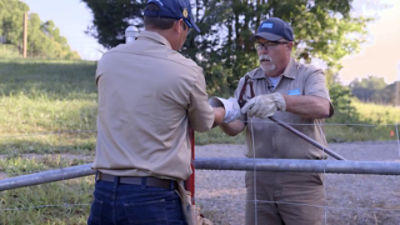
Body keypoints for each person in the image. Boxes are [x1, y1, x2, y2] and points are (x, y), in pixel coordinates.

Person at [87, 0, 233, 224]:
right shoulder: (186, 70)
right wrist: (225, 110)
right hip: (153, 199)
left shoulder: (109, 60)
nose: (184, 38)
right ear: (178, 25)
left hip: (104, 193)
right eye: (186, 30)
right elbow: (203, 122)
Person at [219, 17, 334, 225]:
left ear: (289, 46)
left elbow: (322, 107)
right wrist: (221, 116)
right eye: (260, 45)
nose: (263, 51)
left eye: (270, 45)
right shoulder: (249, 81)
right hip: (259, 178)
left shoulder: (309, 75)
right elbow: (236, 127)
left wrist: (282, 101)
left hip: (301, 179)